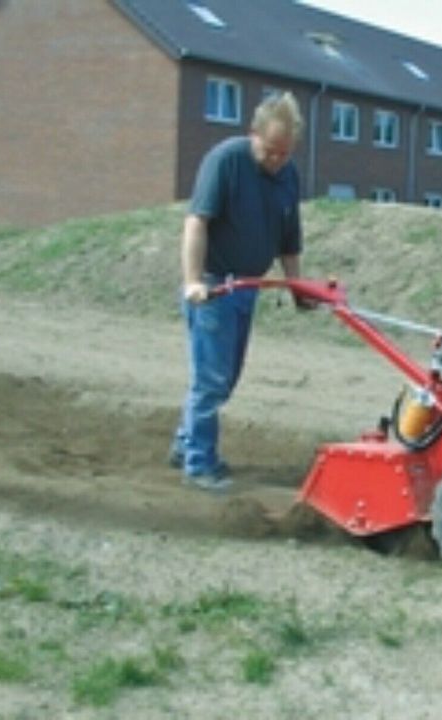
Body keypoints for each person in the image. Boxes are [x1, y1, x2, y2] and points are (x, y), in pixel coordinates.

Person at [169, 91, 309, 492]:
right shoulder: (227, 160)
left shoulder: (288, 175)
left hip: (248, 288)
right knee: (211, 381)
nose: (277, 160)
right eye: (270, 150)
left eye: (285, 152)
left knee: (225, 380)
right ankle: (199, 465)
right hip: (214, 286)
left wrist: (297, 286)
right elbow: (197, 222)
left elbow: (289, 239)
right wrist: (193, 281)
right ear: (254, 134)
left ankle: (185, 445)